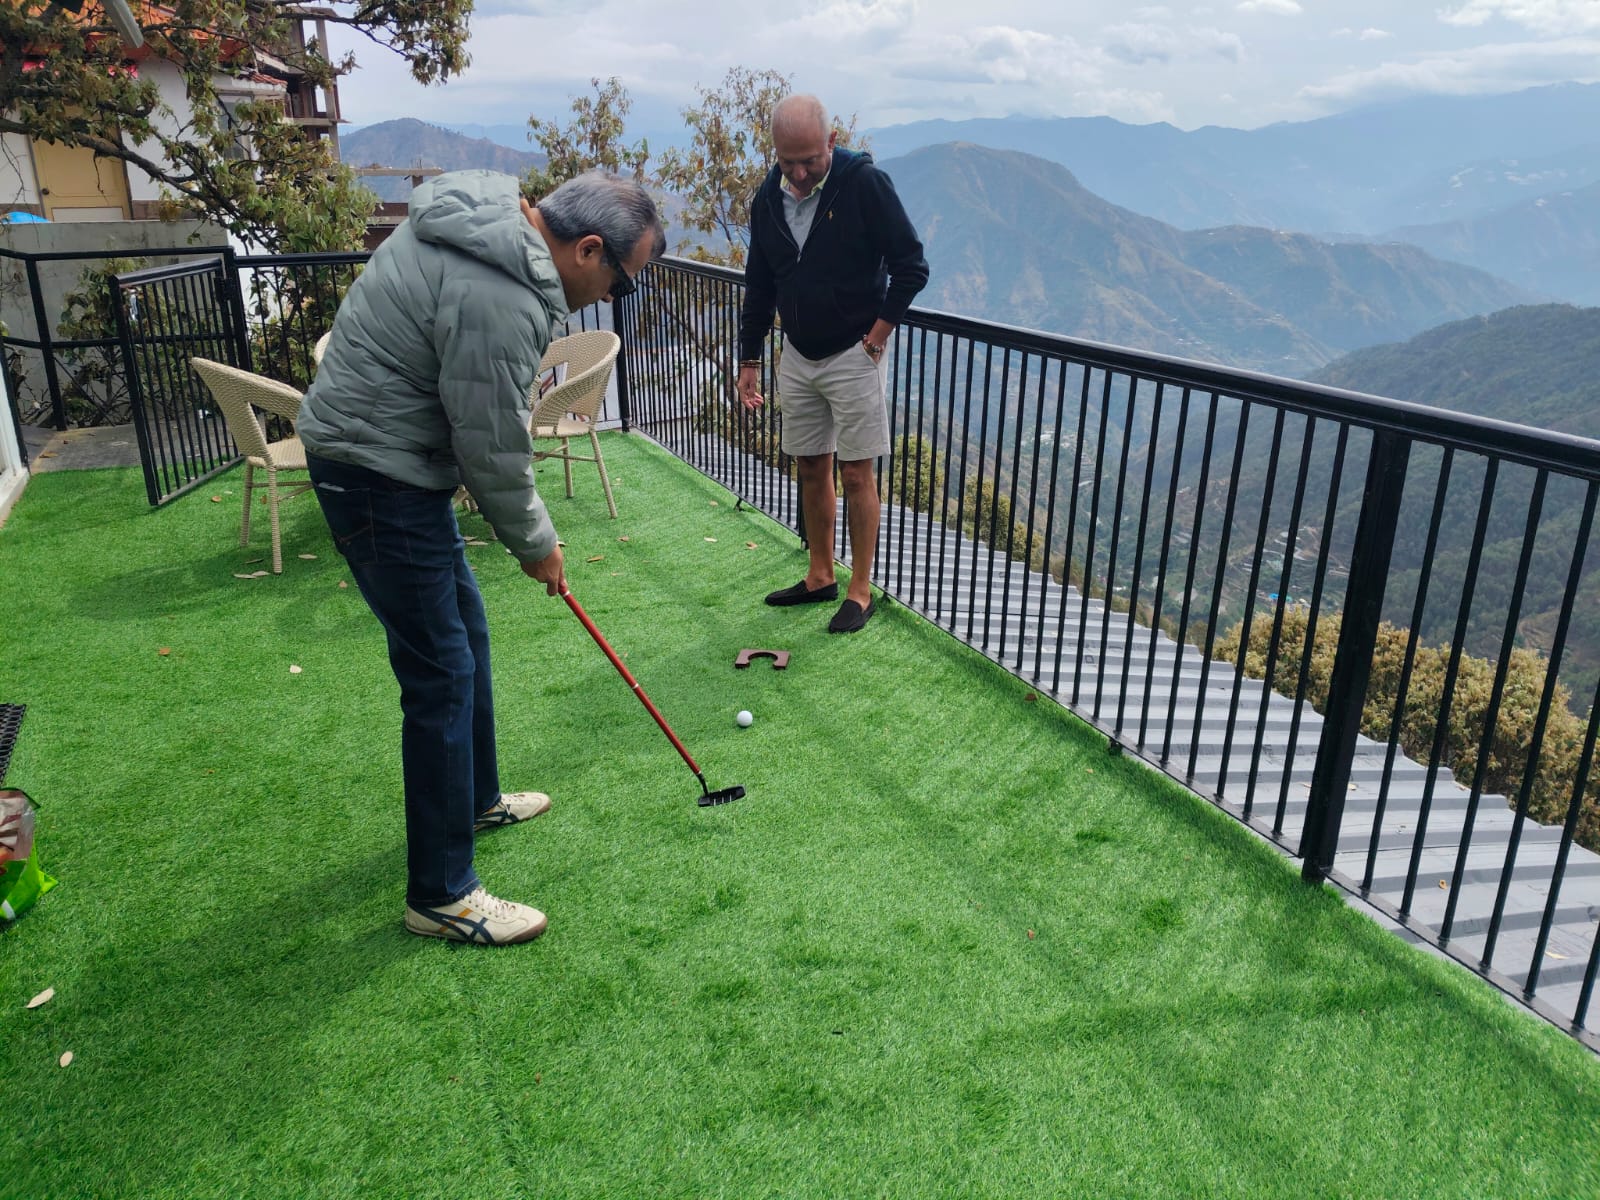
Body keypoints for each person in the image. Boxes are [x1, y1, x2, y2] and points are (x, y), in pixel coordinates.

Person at [297, 169, 664, 945]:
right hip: (374, 472)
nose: (609, 299)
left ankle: (476, 797)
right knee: (440, 673)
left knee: (466, 633)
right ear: (588, 248)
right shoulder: (504, 293)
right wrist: (540, 545)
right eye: (621, 282)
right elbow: (491, 447)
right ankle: (441, 893)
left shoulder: (491, 227)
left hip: (390, 459)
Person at [736, 93, 929, 633]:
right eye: (787, 160)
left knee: (857, 470)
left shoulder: (864, 185)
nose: (798, 173)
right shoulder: (767, 200)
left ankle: (860, 589)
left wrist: (876, 338)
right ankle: (820, 574)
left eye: (809, 160)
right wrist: (749, 358)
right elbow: (759, 284)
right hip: (796, 354)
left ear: (832, 143)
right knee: (809, 462)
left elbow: (911, 266)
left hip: (853, 352)